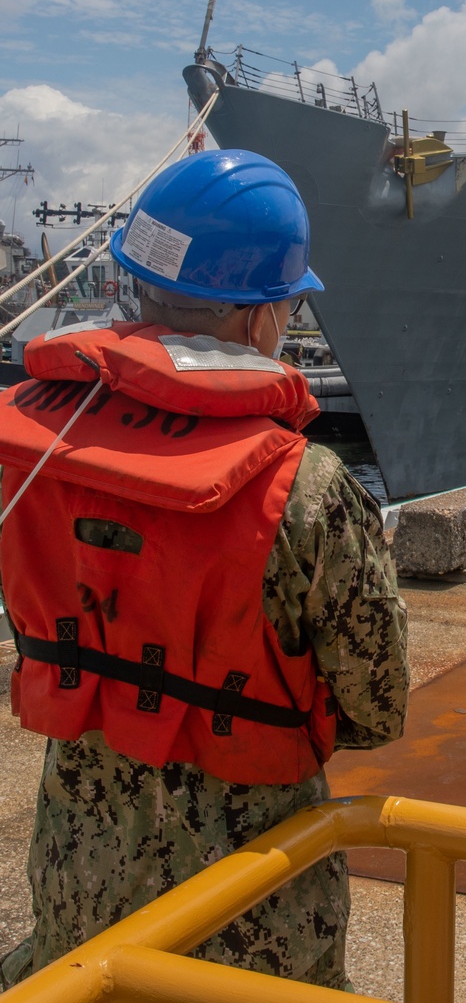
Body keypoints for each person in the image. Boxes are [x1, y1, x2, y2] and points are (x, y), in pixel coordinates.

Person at [0, 149, 408, 992]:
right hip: (247, 905)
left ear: (138, 282)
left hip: (81, 879)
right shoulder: (308, 491)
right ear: (265, 318)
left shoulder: (24, 444)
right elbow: (378, 707)